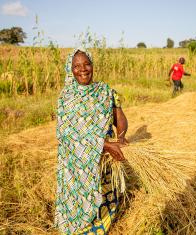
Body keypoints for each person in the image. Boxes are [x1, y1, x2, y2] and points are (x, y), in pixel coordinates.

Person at [55, 47, 128, 234]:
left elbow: (118, 116)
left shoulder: (105, 91)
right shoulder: (66, 98)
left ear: (92, 65)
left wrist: (120, 138)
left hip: (103, 160)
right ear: (69, 70)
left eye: (87, 64)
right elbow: (66, 134)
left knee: (104, 198)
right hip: (75, 163)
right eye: (77, 66)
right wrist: (104, 144)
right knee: (78, 203)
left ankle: (100, 228)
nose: (83, 69)